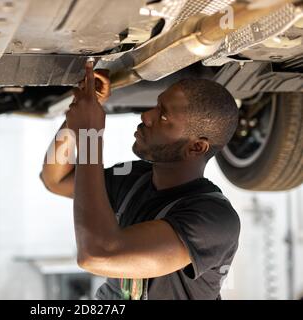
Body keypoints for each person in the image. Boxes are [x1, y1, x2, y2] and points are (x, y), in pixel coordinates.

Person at [40, 61, 241, 300]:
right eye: (156, 106)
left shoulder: (213, 219)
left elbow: (96, 255)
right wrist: (77, 121)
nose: (147, 116)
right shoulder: (134, 177)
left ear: (197, 147)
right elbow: (56, 178)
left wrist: (90, 135)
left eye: (163, 116)